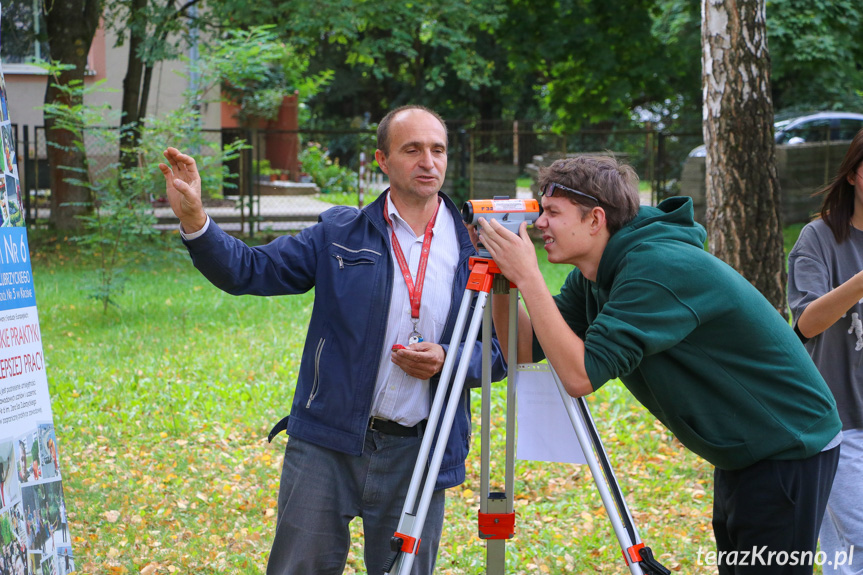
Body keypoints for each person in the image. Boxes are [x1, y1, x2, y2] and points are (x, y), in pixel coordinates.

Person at [159, 105, 506, 575]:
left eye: (438, 149)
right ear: (382, 160)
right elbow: (249, 269)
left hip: (418, 451)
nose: (428, 161)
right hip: (327, 443)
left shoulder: (479, 246)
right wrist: (197, 220)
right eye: (412, 149)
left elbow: (499, 353)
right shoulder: (340, 234)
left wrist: (448, 359)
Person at [477, 155, 842, 575]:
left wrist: (530, 278)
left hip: (790, 442)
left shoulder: (655, 270)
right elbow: (525, 350)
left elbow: (579, 375)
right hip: (746, 447)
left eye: (552, 213)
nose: (540, 224)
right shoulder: (597, 272)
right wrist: (503, 279)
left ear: (595, 220)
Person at [788, 128, 863, 575]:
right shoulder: (818, 239)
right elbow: (806, 323)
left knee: (845, 557)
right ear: (855, 175)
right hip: (840, 422)